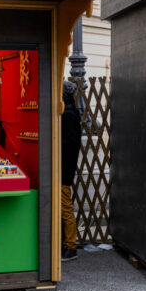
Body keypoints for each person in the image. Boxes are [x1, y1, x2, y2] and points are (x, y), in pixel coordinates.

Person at [60, 80, 83, 261]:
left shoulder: (68, 114)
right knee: (63, 206)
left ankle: (71, 246)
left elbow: (71, 142)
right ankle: (67, 244)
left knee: (65, 207)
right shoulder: (69, 112)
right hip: (65, 166)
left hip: (64, 168)